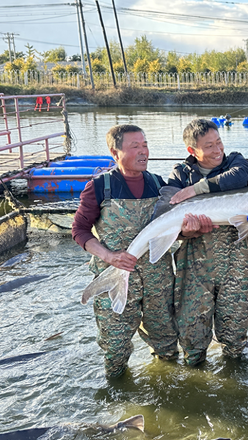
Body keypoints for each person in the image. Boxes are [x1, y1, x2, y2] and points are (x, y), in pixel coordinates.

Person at [72, 125, 178, 378]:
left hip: (158, 281)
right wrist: (109, 257)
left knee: (167, 346)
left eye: (145, 145)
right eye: (135, 147)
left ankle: (166, 394)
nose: (143, 152)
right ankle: (119, 399)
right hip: (116, 278)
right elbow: (79, 231)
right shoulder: (99, 187)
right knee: (116, 349)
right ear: (115, 152)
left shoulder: (158, 184)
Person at [167, 119, 248, 366]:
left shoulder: (234, 161)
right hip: (193, 266)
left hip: (234, 265)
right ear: (192, 151)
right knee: (193, 335)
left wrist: (197, 189)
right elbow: (169, 220)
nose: (218, 150)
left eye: (219, 142)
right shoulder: (180, 174)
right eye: (209, 146)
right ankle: (195, 383)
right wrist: (187, 232)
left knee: (235, 332)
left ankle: (234, 381)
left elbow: (240, 177)